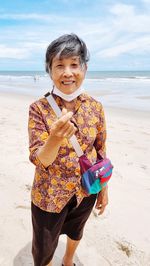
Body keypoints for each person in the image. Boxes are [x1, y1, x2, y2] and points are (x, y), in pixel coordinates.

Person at [28, 33, 108, 266]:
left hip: (86, 189)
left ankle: (68, 261)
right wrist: (54, 138)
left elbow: (101, 151)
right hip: (49, 195)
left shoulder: (95, 107)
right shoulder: (39, 109)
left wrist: (102, 188)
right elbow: (39, 159)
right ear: (50, 71)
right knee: (43, 249)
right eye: (59, 65)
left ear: (84, 68)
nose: (68, 72)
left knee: (76, 230)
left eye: (74, 64)